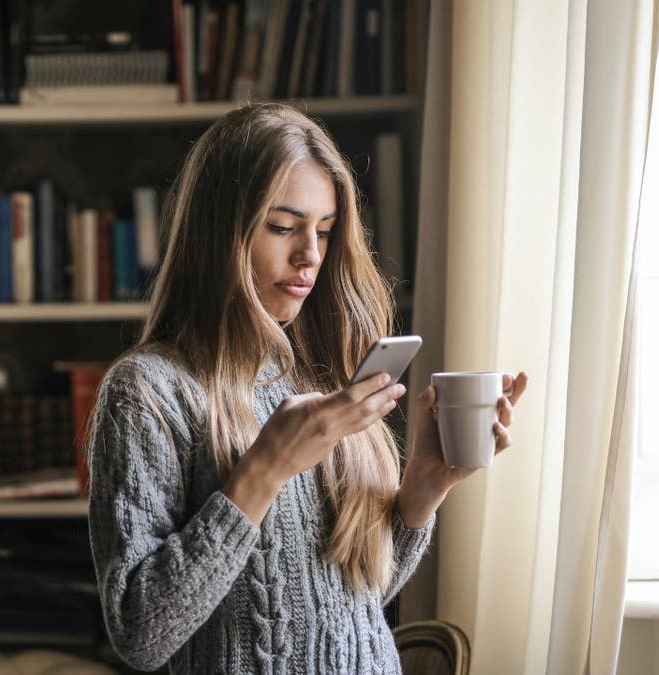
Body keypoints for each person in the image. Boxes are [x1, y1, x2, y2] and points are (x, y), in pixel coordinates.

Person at [86, 102, 528, 674]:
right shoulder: (147, 393)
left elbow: (351, 601)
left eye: (323, 230)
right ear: (219, 232)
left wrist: (423, 486)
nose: (310, 255)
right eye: (282, 227)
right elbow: (142, 632)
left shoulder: (317, 374)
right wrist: (266, 468)